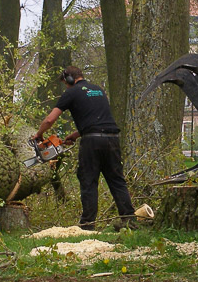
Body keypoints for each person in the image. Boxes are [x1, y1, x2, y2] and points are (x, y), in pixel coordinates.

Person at [33, 66, 135, 230]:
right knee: (116, 180)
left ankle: (87, 225)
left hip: (92, 142)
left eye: (66, 83)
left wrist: (39, 134)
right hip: (112, 139)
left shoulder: (71, 92)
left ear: (70, 79)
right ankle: (129, 220)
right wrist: (76, 134)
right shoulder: (99, 90)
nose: (66, 86)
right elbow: (98, 119)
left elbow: (50, 120)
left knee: (88, 180)